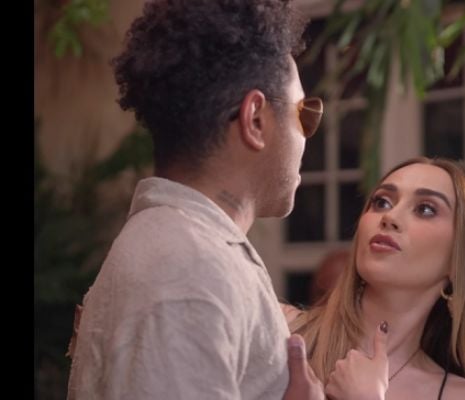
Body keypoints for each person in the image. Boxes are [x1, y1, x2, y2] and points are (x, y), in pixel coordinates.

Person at [66, 1, 325, 399]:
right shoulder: (191, 269)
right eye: (304, 113)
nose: (308, 135)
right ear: (255, 119)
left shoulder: (180, 249)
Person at [285, 157, 465, 400]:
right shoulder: (281, 328)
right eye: (381, 202)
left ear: (460, 258)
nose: (390, 216)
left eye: (425, 209)